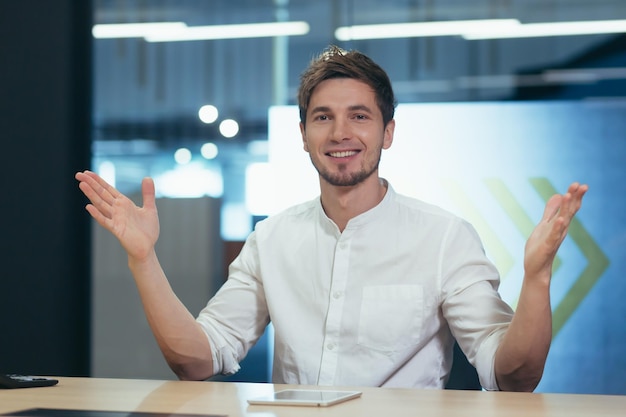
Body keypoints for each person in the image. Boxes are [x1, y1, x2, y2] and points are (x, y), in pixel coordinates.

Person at [75, 45, 587, 391]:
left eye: (359, 116)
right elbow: (198, 358)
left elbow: (511, 373)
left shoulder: (444, 237)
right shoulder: (272, 238)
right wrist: (143, 259)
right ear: (303, 134)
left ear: (388, 132)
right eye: (323, 117)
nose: (341, 132)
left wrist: (537, 277)